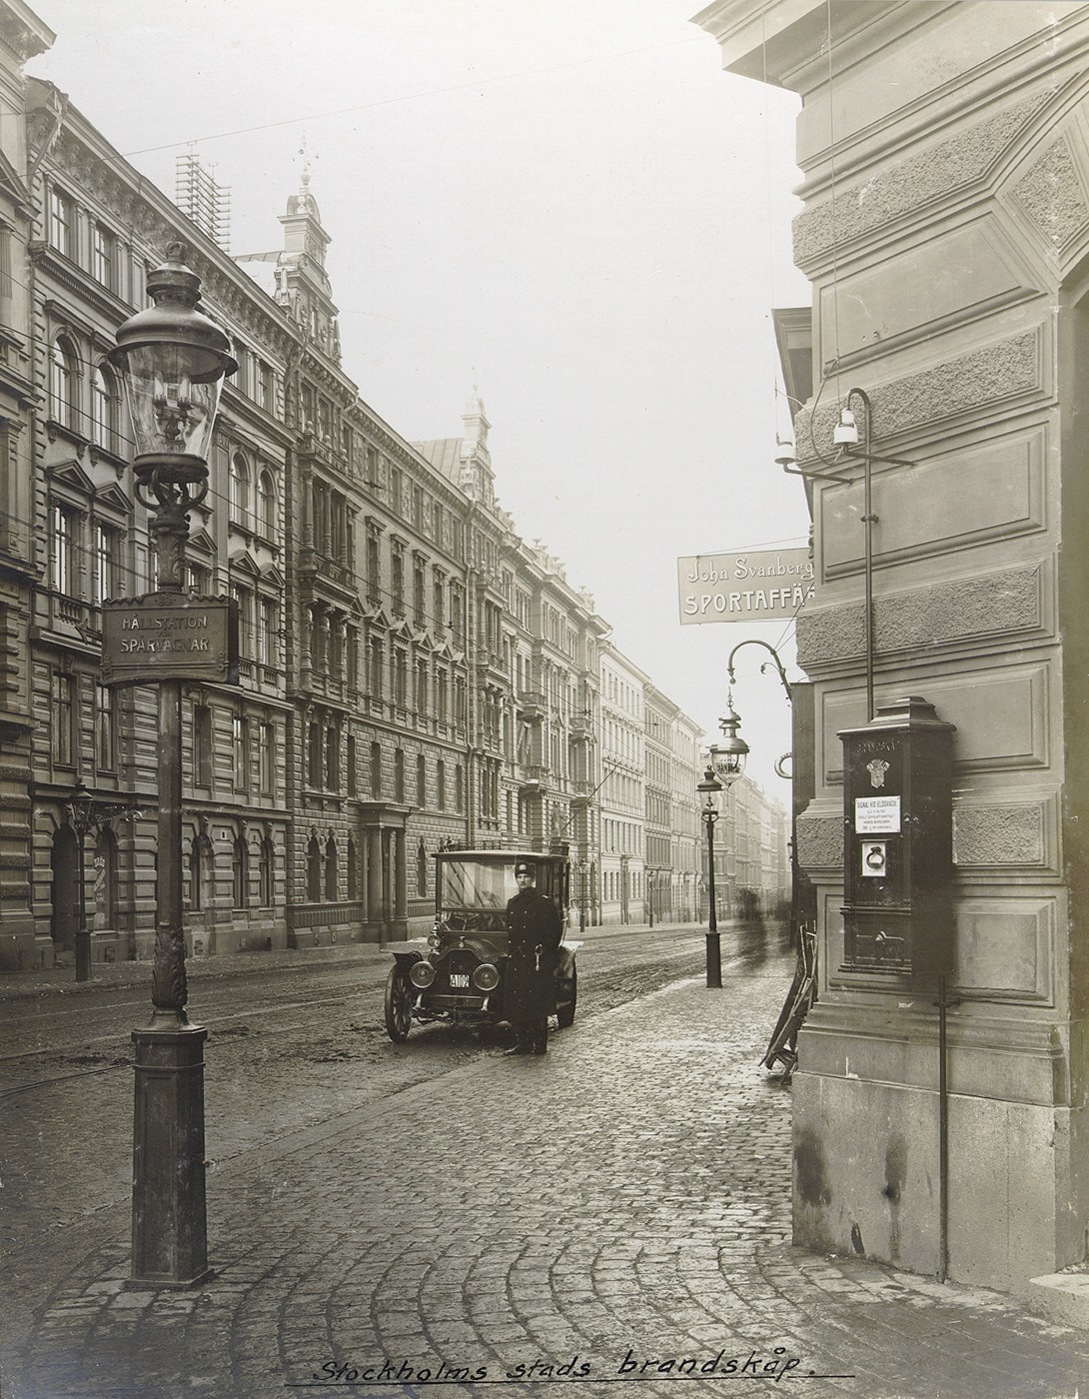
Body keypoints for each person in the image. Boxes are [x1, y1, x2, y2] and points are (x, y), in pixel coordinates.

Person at [503, 859, 563, 1055]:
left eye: (525, 877)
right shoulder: (513, 903)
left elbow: (553, 933)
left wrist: (545, 956)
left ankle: (539, 1044)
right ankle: (522, 1043)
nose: (522, 881)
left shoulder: (543, 904)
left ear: (532, 879)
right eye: (519, 877)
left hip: (536, 962)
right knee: (517, 1003)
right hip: (518, 961)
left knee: (536, 1005)